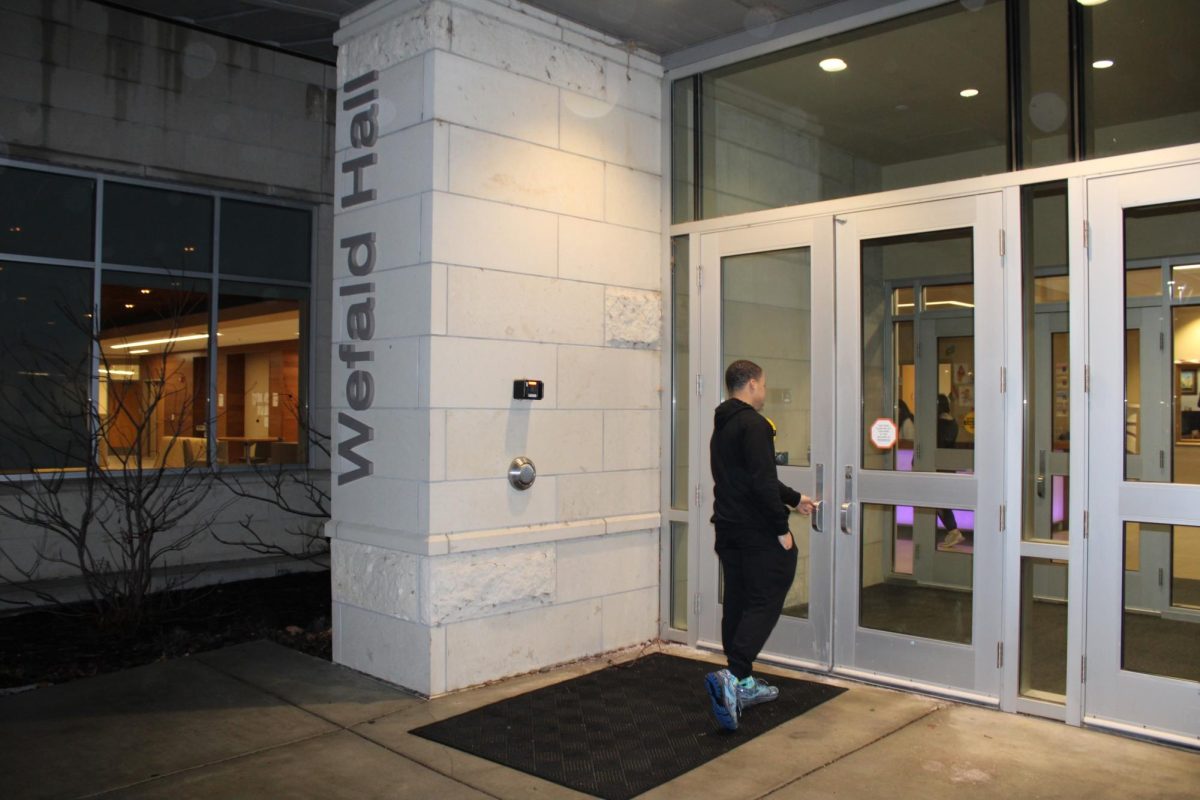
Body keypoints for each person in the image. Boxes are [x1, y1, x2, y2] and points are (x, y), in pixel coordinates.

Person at [705, 359, 816, 731]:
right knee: (768, 592)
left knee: (738, 598)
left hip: (729, 529)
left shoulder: (722, 426)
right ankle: (734, 676)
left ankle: (744, 681)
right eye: (764, 385)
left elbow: (750, 478)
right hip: (755, 530)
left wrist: (796, 496)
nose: (765, 392)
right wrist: (781, 528)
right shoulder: (754, 424)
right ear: (751, 384)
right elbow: (762, 483)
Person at [936, 394, 964, 548]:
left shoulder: (937, 424)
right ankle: (952, 530)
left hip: (937, 467)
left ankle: (953, 530)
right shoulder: (952, 422)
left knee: (938, 502)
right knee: (941, 501)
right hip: (947, 466)